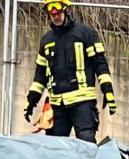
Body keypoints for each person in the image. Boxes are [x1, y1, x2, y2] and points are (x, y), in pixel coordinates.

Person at [23, 0, 116, 144]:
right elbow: (40, 76)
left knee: (86, 145)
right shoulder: (46, 41)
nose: (55, 16)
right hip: (57, 105)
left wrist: (107, 90)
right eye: (52, 13)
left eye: (58, 13)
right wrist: (31, 100)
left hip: (83, 103)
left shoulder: (85, 34)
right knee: (55, 149)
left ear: (66, 10)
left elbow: (100, 64)